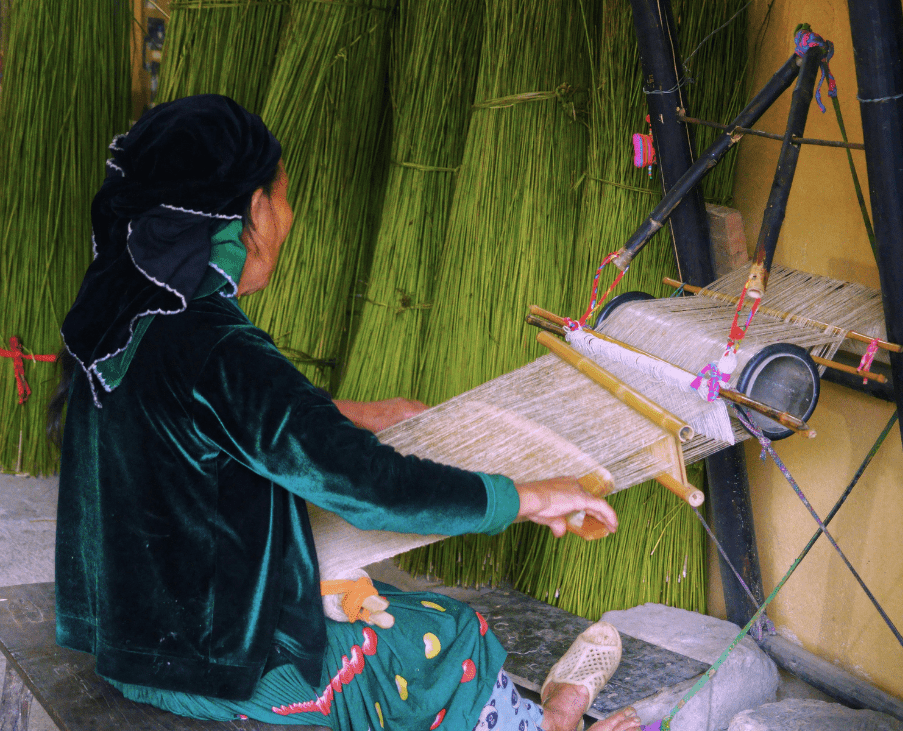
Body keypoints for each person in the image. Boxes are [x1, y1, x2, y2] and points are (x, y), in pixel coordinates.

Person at [51, 94, 643, 731]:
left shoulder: (116, 319)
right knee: (447, 634)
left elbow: (192, 413)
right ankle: (551, 723)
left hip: (131, 646)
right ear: (253, 209)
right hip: (217, 670)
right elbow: (367, 486)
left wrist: (359, 413)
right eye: (282, 195)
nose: (289, 214)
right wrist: (528, 497)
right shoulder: (221, 348)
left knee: (369, 601)